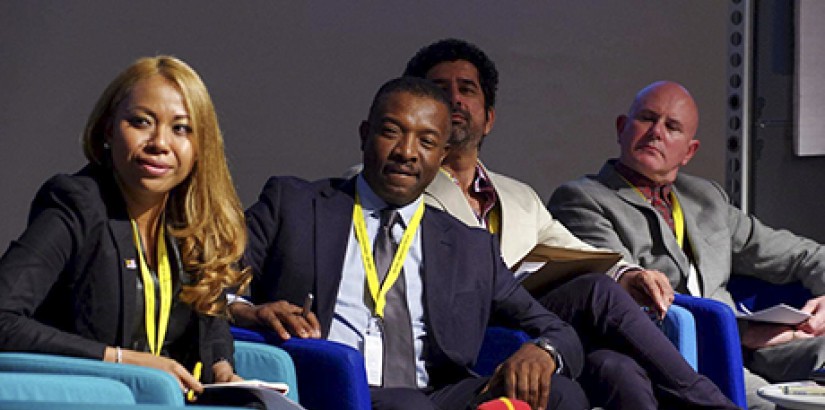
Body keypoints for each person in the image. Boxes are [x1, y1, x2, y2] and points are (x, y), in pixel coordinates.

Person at [402, 38, 737, 410]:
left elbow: (574, 249)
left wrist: (627, 275)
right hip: (459, 332)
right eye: (438, 89)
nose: (455, 99)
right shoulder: (398, 184)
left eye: (467, 89)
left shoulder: (518, 195)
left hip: (534, 332)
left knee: (617, 369)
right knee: (594, 291)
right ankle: (711, 403)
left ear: (490, 118)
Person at [230, 77, 590, 410]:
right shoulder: (294, 205)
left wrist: (544, 351)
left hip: (433, 396)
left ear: (442, 155)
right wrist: (248, 311)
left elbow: (558, 330)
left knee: (562, 395)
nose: (407, 151)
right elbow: (211, 284)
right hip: (323, 383)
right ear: (364, 134)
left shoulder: (470, 247)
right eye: (391, 133)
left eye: (426, 141)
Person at [548, 80, 825, 410]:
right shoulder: (581, 200)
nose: (656, 132)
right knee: (771, 407)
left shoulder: (707, 198)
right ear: (622, 128)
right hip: (677, 359)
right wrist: (740, 333)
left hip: (753, 347)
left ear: (689, 151)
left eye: (672, 127)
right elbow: (625, 303)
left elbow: (800, 254)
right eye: (647, 118)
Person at [0, 56, 250, 397]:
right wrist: (119, 359)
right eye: (141, 122)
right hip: (90, 397)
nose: (160, 143)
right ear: (108, 130)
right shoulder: (76, 205)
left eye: (181, 128)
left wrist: (222, 368)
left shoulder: (191, 219)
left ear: (199, 148)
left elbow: (211, 314)